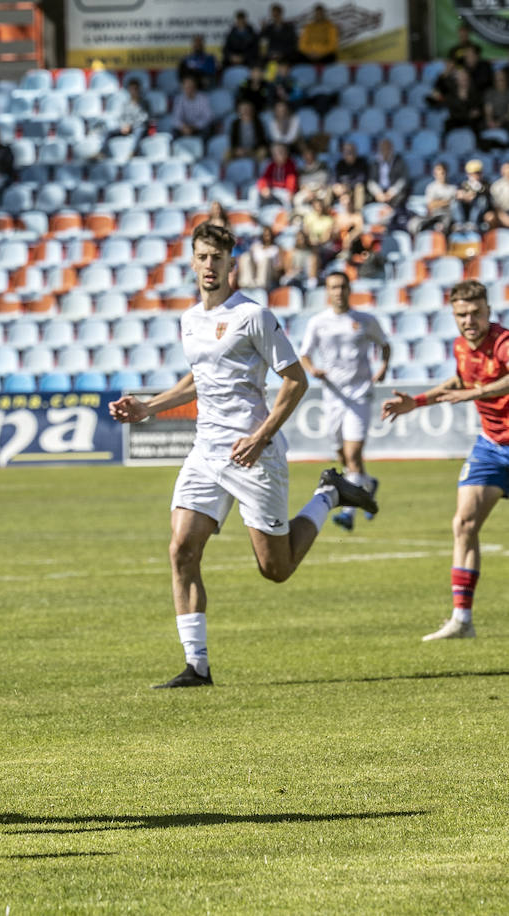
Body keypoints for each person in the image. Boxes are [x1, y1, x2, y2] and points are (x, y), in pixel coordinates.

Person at [108, 223, 378, 687]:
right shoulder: (189, 318)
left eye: (218, 257)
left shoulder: (253, 316)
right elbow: (200, 376)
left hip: (255, 454)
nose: (210, 265)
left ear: (232, 263)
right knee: (181, 548)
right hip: (206, 452)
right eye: (202, 257)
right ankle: (197, 666)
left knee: (276, 569)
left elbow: (296, 380)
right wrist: (148, 406)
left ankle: (330, 494)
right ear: (192, 262)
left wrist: (261, 435)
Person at [381, 280, 509, 641]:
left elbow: (479, 384)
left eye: (475, 313)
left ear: (488, 311)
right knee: (464, 524)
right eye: (462, 314)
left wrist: (479, 392)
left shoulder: (502, 343)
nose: (469, 320)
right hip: (491, 448)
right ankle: (462, 619)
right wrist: (417, 402)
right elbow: (459, 381)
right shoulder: (459, 346)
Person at [298, 272, 391, 530]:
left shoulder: (364, 320)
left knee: (352, 454)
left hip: (359, 393)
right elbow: (305, 354)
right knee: (341, 454)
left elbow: (385, 345)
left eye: (342, 286)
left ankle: (348, 512)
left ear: (349, 289)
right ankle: (368, 483)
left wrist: (383, 367)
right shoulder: (318, 322)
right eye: (333, 287)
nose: (338, 291)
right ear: (327, 292)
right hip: (333, 397)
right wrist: (313, 369)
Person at [366, 138, 410, 212]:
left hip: (393, 192)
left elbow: (403, 179)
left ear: (392, 149)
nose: (385, 150)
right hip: (378, 192)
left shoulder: (399, 161)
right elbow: (371, 180)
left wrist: (392, 192)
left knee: (402, 196)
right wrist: (378, 193)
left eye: (388, 148)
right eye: (383, 148)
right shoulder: (375, 162)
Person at [237, 225, 282, 290]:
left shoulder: (276, 248)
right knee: (245, 256)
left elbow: (278, 266)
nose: (266, 237)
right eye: (264, 235)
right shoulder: (256, 246)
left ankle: (260, 284)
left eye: (268, 235)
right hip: (255, 268)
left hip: (269, 271)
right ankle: (245, 282)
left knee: (266, 260)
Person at [419, 161, 457, 236]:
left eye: (443, 173)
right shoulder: (431, 187)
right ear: (434, 174)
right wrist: (447, 202)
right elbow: (430, 205)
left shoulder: (453, 188)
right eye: (439, 173)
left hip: (449, 216)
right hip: (435, 216)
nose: (442, 175)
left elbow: (455, 205)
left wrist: (439, 202)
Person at [454, 158, 491, 232]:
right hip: (465, 211)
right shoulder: (464, 184)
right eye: (472, 173)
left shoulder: (486, 184)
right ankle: (460, 224)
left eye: (477, 173)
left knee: (481, 200)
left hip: (480, 215)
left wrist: (474, 195)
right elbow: (458, 194)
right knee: (454, 203)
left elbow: (485, 194)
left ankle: (473, 224)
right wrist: (465, 196)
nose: (474, 176)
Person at [256, 142, 298, 207]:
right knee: (255, 191)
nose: (278, 155)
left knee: (287, 200)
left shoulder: (290, 164)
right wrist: (263, 187)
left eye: (280, 152)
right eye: (275, 154)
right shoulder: (271, 165)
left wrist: (291, 191)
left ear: (286, 153)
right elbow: (264, 178)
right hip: (273, 190)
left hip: (285, 191)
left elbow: (292, 179)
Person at [332, 141, 369, 211]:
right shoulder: (340, 164)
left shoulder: (362, 163)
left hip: (354, 188)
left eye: (350, 152)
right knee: (329, 188)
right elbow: (334, 177)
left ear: (355, 152)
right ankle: (326, 214)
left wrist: (346, 187)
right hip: (341, 189)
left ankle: (358, 213)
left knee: (359, 187)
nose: (348, 154)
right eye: (345, 152)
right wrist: (335, 185)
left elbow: (362, 179)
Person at [488, 160, 509, 229]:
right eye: (506, 169)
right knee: (489, 217)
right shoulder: (496, 186)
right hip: (502, 214)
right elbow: (496, 207)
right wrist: (503, 217)